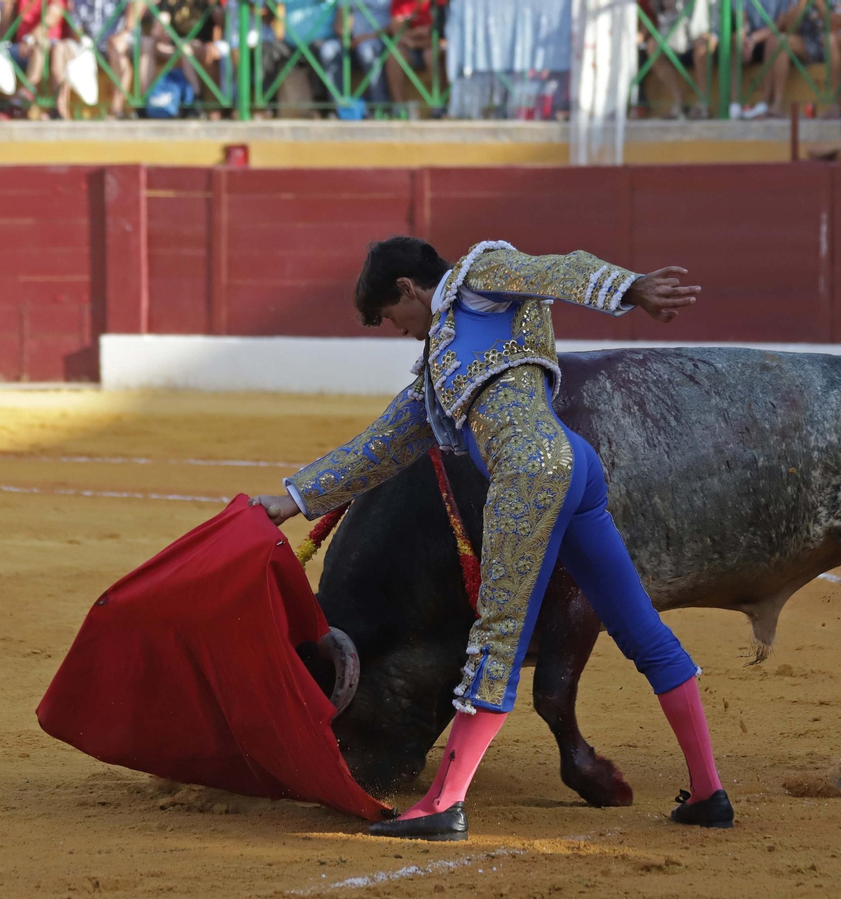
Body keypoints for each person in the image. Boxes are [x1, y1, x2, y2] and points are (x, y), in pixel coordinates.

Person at [250, 237, 733, 840]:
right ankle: (708, 791)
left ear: (406, 288)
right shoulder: (439, 372)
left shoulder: (478, 276)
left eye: (391, 318)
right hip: (571, 464)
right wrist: (289, 502)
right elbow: (376, 450)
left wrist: (631, 288)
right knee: (639, 629)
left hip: (528, 471)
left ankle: (444, 804)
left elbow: (554, 270)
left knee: (497, 638)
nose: (398, 331)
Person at [141, 0, 227, 117]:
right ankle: (144, 101)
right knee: (147, 43)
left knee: (185, 46)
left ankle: (196, 99)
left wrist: (213, 6)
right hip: (176, 47)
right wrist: (160, 26)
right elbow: (162, 21)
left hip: (200, 45)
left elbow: (222, 24)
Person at [646, 0, 715, 118]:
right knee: (652, 46)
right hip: (675, 34)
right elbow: (655, 8)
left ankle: (703, 102)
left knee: (702, 44)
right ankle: (679, 102)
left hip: (704, 30)